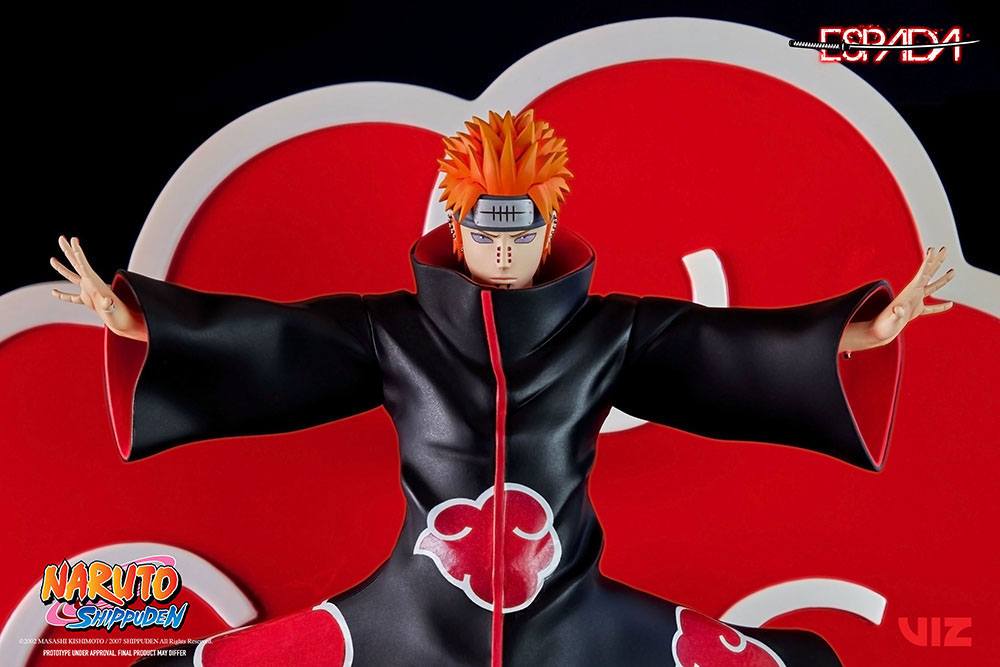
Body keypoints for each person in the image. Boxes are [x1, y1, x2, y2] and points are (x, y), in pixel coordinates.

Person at [50, 109, 954, 666]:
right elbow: (276, 342)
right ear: (457, 225)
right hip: (411, 615)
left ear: (550, 226)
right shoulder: (392, 329)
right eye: (488, 229)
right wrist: (144, 322)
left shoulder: (609, 330)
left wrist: (858, 333)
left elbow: (724, 351)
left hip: (572, 617)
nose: (506, 248)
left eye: (524, 229)